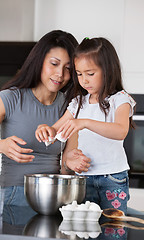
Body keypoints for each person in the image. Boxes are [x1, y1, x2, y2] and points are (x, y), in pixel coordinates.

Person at [35, 37, 136, 213]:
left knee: (112, 228)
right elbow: (56, 129)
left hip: (112, 178)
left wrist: (85, 123)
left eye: (90, 74)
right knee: (85, 228)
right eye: (79, 74)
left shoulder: (119, 99)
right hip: (83, 179)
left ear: (108, 71)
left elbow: (121, 131)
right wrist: (46, 129)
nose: (84, 81)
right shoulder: (78, 102)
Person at [0, 30, 90, 207]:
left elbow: (66, 164)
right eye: (54, 64)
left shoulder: (70, 107)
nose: (60, 74)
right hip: (14, 196)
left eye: (68, 69)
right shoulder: (10, 98)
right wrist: (1, 145)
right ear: (39, 61)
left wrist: (71, 162)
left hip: (54, 199)